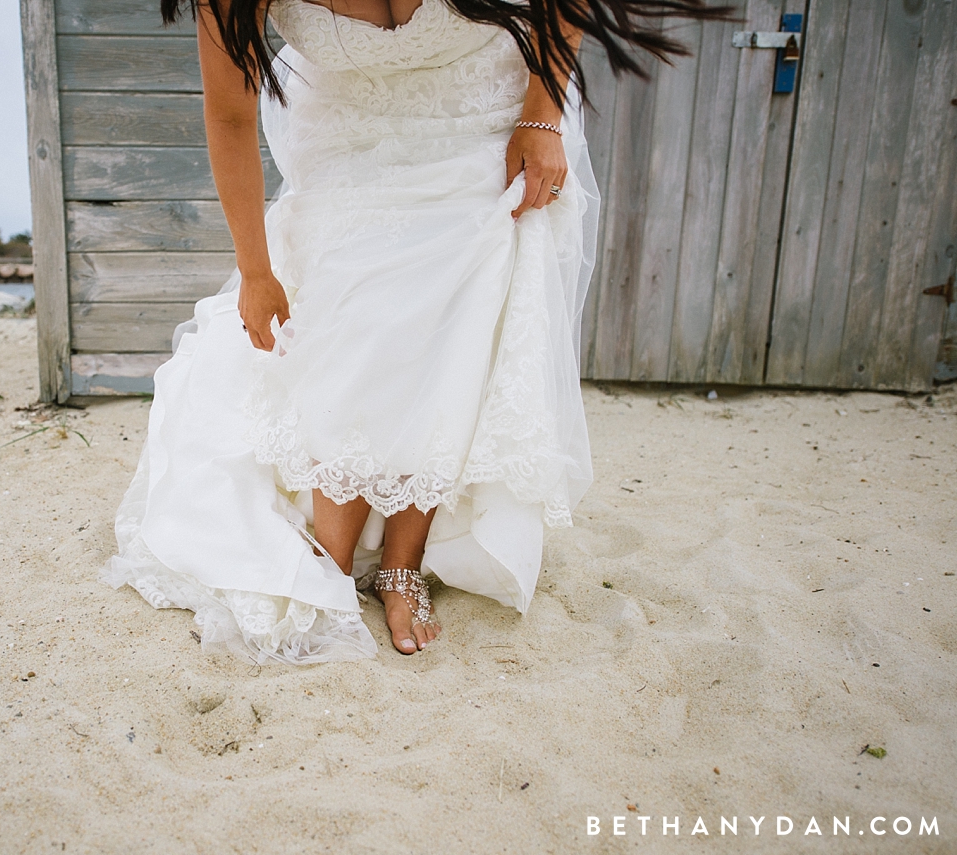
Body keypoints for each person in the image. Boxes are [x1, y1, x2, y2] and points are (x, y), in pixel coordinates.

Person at [104, 0, 730, 662]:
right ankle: (333, 562)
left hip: (477, 107)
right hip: (349, 127)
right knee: (350, 314)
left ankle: (404, 561)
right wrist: (256, 272)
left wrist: (544, 113)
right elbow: (230, 114)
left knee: (456, 304)